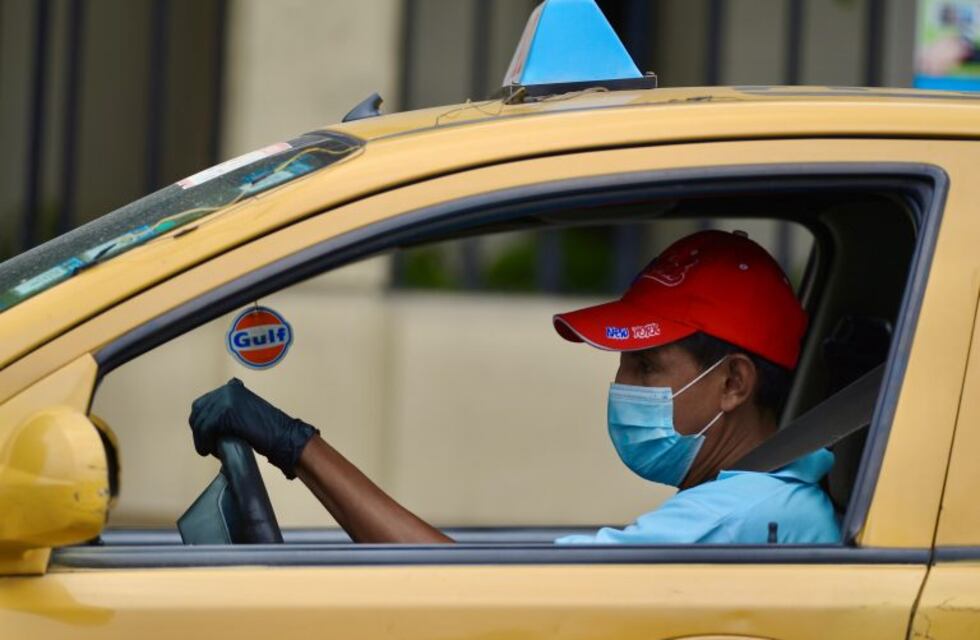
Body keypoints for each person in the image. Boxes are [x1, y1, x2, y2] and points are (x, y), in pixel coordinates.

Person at [189, 229, 840, 544]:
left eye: (646, 367)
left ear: (732, 383)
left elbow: (471, 599)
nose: (623, 386)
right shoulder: (766, 498)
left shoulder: (734, 520)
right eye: (622, 365)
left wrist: (294, 444)